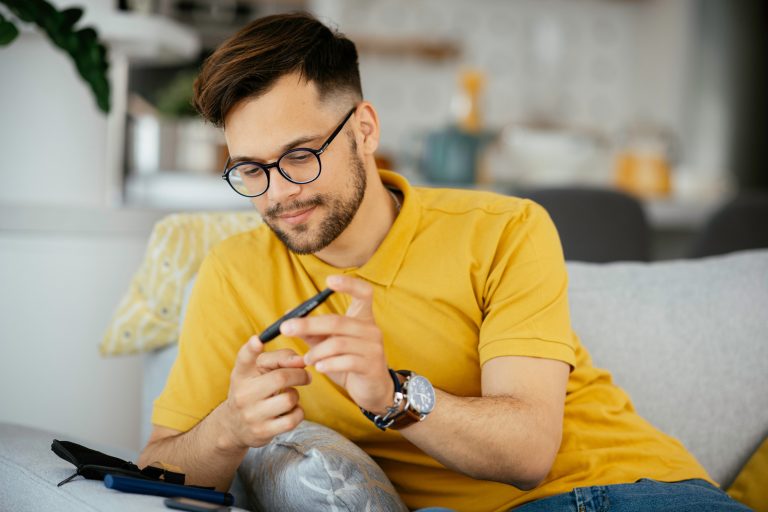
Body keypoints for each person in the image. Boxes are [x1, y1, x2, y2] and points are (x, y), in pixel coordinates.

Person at [137, 12, 751, 512]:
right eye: (251, 169)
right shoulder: (235, 271)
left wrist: (390, 394)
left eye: (299, 155)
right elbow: (156, 471)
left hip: (639, 492)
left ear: (365, 129)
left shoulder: (506, 229)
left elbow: (530, 453)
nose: (277, 193)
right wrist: (230, 428)